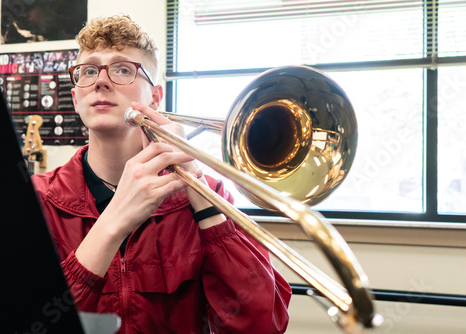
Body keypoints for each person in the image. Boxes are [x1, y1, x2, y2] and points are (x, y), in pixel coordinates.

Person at [32, 15, 291, 333]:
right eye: (88, 71)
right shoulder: (36, 199)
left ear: (155, 97)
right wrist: (114, 222)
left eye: (122, 69)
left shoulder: (211, 192)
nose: (101, 81)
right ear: (76, 99)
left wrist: (195, 183)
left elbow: (260, 325)